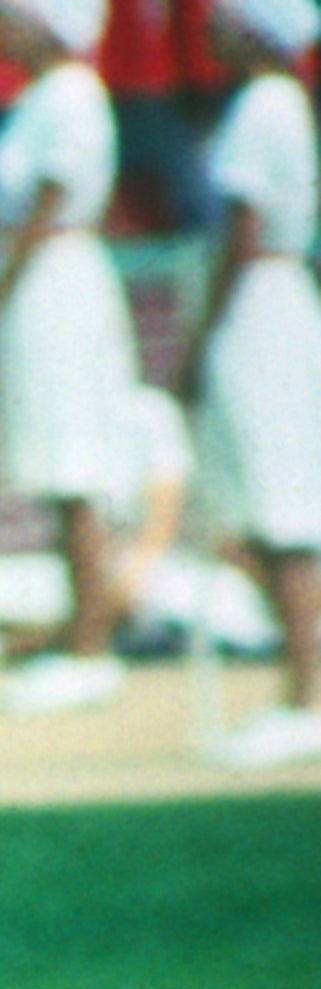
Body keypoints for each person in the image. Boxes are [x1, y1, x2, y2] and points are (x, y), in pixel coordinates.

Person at [0, 0, 139, 712]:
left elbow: (43, 209)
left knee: (72, 463)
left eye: (7, 14)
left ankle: (90, 649)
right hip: (39, 285)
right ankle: (78, 630)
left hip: (53, 287)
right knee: (56, 468)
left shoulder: (69, 95)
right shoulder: (40, 98)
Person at [189, 0, 321, 771]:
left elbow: (240, 232)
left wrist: (198, 340)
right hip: (278, 300)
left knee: (280, 508)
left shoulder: (259, 106)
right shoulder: (284, 102)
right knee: (278, 502)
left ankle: (306, 695)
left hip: (259, 309)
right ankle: (298, 687)